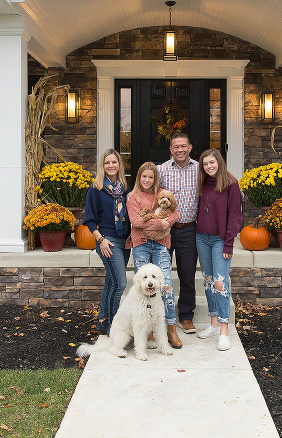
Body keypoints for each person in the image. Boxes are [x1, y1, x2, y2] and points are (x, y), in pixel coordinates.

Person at [126, 162, 182, 348]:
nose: (147, 180)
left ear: (155, 178)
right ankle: (148, 332)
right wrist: (161, 224)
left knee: (165, 285)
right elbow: (135, 221)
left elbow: (175, 215)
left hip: (161, 245)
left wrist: (164, 223)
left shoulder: (162, 194)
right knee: (143, 287)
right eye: (144, 176)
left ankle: (171, 329)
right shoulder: (133, 196)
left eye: (151, 177)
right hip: (141, 245)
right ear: (139, 177)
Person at [194, 148, 243, 351]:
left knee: (220, 282)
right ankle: (213, 324)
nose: (209, 167)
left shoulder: (231, 184)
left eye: (212, 163)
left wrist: (229, 242)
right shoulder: (203, 183)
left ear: (219, 162)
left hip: (220, 240)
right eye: (205, 164)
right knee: (207, 280)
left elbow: (235, 216)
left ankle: (224, 330)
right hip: (201, 238)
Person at [83, 149, 131, 336]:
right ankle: (113, 322)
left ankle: (102, 320)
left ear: (119, 165)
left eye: (114, 162)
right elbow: (89, 219)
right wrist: (100, 240)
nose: (111, 166)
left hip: (124, 240)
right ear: (102, 166)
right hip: (107, 240)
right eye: (107, 163)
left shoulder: (125, 189)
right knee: (120, 283)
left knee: (111, 281)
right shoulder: (95, 188)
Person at [158, 132, 199, 334]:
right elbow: (148, 192)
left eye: (183, 146)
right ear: (171, 149)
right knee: (160, 274)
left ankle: (186, 315)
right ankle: (160, 314)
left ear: (190, 147)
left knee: (187, 273)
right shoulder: (162, 170)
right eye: (176, 147)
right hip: (165, 230)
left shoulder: (200, 169)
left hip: (190, 229)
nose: (180, 150)